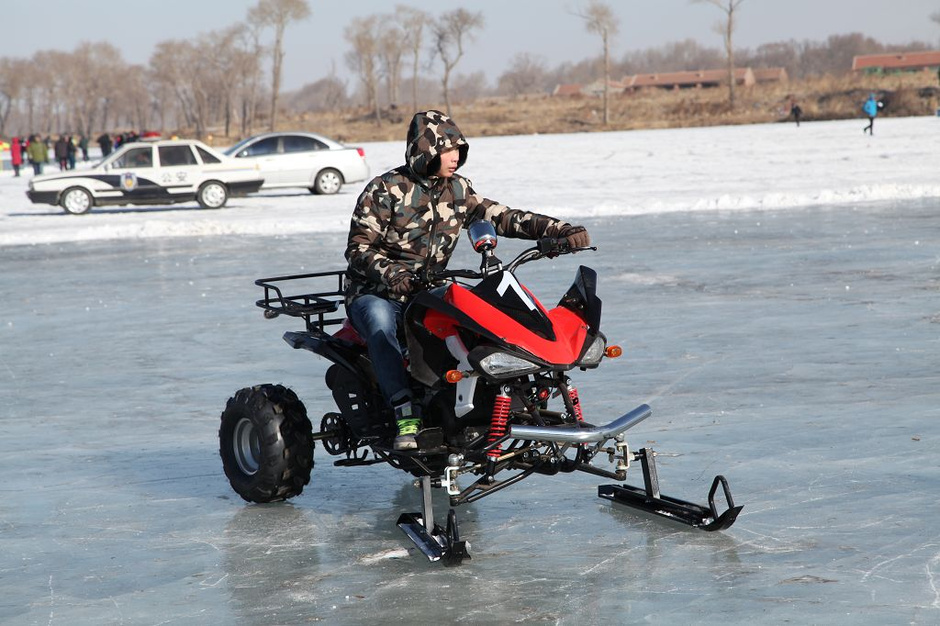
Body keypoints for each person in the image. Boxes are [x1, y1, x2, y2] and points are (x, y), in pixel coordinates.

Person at [344, 109, 591, 450]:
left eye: (460, 149)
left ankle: (484, 406)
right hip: (376, 291)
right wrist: (393, 274)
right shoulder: (385, 190)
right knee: (381, 326)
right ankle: (405, 411)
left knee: (480, 319)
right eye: (447, 150)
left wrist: (559, 230)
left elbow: (504, 217)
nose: (456, 156)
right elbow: (358, 249)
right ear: (425, 151)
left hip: (428, 289)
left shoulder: (458, 190)